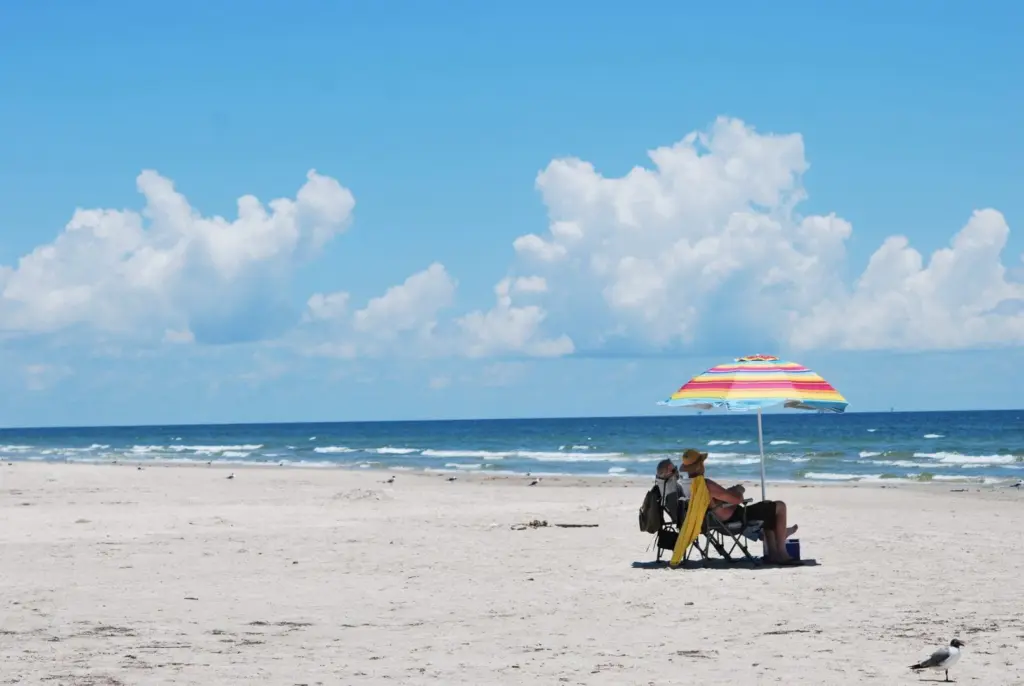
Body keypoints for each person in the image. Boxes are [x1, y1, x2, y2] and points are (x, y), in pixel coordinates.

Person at [656, 449, 799, 565]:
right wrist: (738, 490)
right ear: (699, 466)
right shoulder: (705, 484)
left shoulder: (688, 485)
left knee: (767, 508)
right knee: (779, 506)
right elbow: (737, 500)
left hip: (713, 521)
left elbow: (715, 499)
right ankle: (782, 552)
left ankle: (773, 553)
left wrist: (727, 493)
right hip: (730, 520)